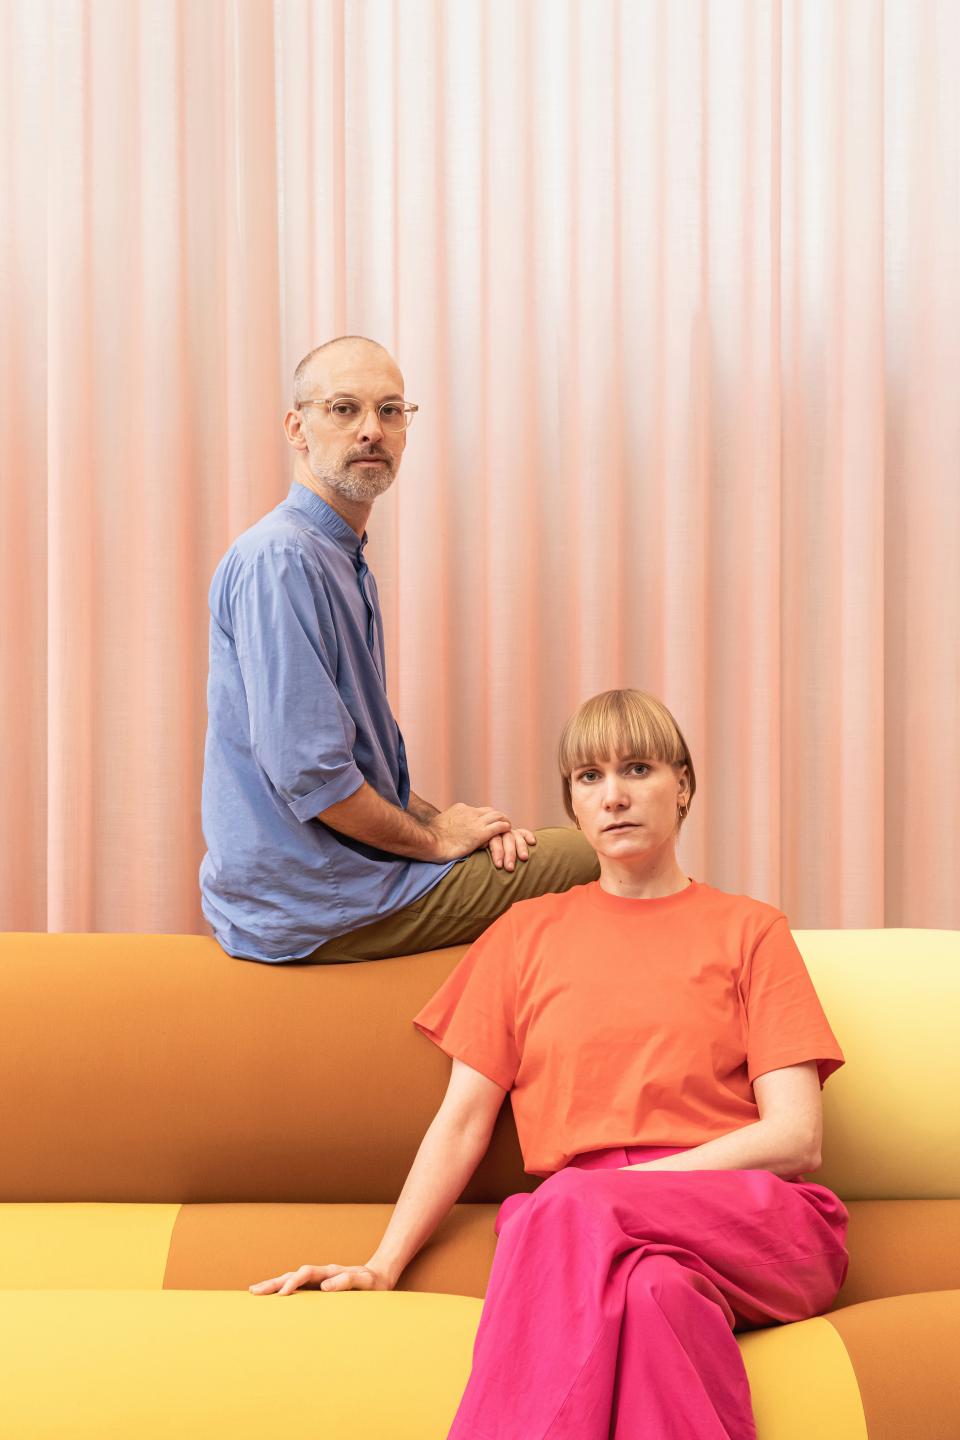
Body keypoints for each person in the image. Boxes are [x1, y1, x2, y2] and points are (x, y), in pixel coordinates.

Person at [249, 687, 848, 1439]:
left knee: (557, 1205)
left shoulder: (751, 931)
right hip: (604, 1247)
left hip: (749, 1219)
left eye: (638, 769)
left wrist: (616, 1193)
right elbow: (463, 1120)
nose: (615, 795)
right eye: (589, 778)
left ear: (684, 786)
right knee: (657, 1297)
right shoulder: (525, 935)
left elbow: (796, 1137)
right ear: (572, 803)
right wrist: (383, 1262)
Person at [199, 335, 597, 963]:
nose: (371, 431)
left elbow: (350, 762)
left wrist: (447, 825)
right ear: (296, 428)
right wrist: (435, 845)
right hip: (314, 903)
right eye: (344, 409)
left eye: (389, 411)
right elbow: (315, 778)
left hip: (342, 881)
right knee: (593, 850)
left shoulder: (340, 557)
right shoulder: (283, 559)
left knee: (526, 846)